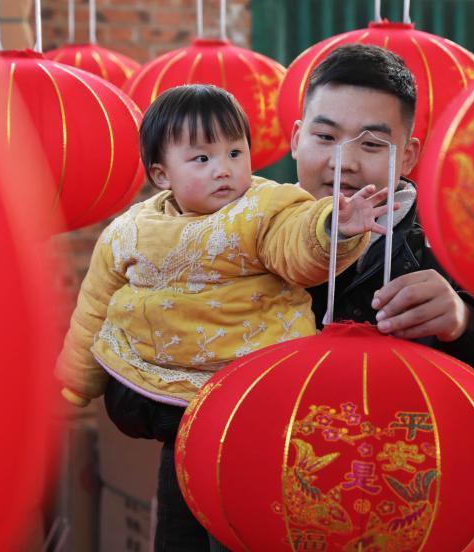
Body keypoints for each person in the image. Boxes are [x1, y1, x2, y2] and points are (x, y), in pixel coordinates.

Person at [56, 84, 396, 551]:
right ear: (161, 174)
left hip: (251, 396)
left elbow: (296, 247)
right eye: (202, 159)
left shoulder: (265, 208)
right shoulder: (129, 231)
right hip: (163, 391)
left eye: (235, 152)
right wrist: (77, 381)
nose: (224, 169)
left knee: (241, 520)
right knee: (180, 516)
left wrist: (333, 226)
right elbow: (94, 306)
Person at [293, 44, 474, 447]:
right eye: (325, 136)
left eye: (371, 145)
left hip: (406, 481)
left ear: (407, 157)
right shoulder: (243, 237)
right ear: (298, 139)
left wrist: (468, 323)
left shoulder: (454, 248)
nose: (344, 162)